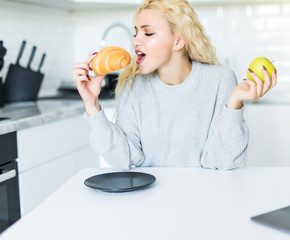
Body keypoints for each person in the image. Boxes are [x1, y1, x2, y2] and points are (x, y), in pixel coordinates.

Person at [72, 0, 277, 171]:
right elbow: (124, 158)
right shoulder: (132, 84)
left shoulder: (220, 79)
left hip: (206, 201)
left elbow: (222, 161)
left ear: (178, 42)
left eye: (148, 33)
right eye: (136, 33)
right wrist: (92, 105)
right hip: (150, 201)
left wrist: (234, 104)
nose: (135, 41)